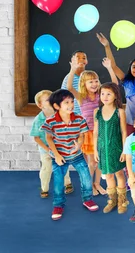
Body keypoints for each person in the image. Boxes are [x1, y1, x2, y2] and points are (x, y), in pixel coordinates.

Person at [42, 89, 99, 220]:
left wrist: (78, 145)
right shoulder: (51, 121)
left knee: (85, 176)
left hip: (77, 155)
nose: (71, 105)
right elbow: (49, 138)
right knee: (58, 181)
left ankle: (87, 199)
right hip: (59, 156)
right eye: (66, 102)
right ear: (57, 106)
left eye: (72, 102)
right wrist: (56, 155)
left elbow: (81, 136)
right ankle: (58, 205)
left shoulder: (79, 119)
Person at [97, 32, 135, 135]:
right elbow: (113, 66)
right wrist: (107, 46)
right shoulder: (127, 82)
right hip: (129, 123)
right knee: (130, 148)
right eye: (134, 67)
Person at [65, 56, 105, 196]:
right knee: (91, 162)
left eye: (96, 81)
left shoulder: (101, 95)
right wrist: (72, 69)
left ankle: (97, 183)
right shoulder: (81, 96)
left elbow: (114, 85)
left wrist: (110, 68)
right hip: (88, 133)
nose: (94, 84)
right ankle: (89, 185)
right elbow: (69, 87)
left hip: (101, 132)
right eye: (90, 82)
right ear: (84, 84)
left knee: (100, 161)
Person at [30, 90, 72, 198]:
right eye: (48, 100)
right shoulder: (38, 120)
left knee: (63, 166)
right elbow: (36, 138)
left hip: (60, 148)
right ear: (40, 105)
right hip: (46, 149)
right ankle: (44, 188)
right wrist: (48, 150)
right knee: (46, 169)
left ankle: (67, 183)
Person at [94, 82, 128, 214]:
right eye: (102, 93)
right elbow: (95, 132)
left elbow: (124, 132)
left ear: (115, 96)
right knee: (108, 175)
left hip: (116, 147)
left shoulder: (120, 112)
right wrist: (95, 150)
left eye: (109, 94)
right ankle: (112, 200)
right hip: (102, 149)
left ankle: (122, 201)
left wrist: (125, 150)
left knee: (119, 173)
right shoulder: (97, 111)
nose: (105, 96)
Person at [61, 50, 87, 116]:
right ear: (72, 60)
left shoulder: (89, 76)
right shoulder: (68, 78)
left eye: (84, 58)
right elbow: (63, 98)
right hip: (74, 116)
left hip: (88, 114)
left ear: (86, 61)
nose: (81, 60)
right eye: (78, 58)